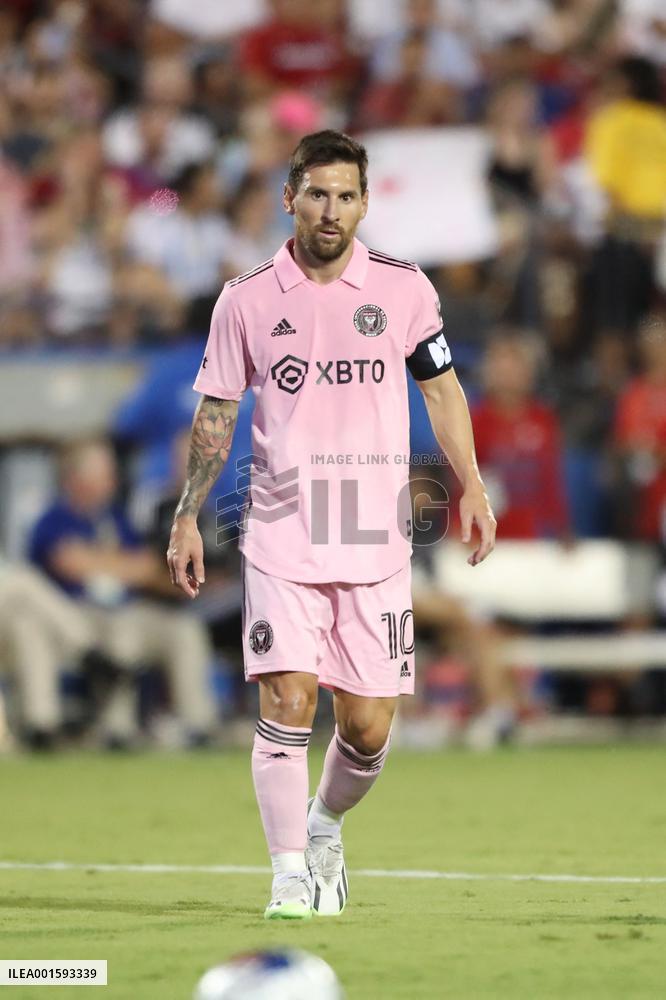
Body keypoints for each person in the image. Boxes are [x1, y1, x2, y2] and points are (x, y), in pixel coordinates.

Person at [167, 130, 496, 920]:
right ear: (289, 198)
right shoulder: (246, 299)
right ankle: (287, 876)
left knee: (370, 729)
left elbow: (442, 391)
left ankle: (323, 826)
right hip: (281, 535)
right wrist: (188, 514)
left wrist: (473, 485)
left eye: (346, 196)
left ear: (364, 204)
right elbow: (218, 412)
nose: (331, 210)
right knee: (287, 701)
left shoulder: (404, 289)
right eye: (317, 193)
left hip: (376, 541)